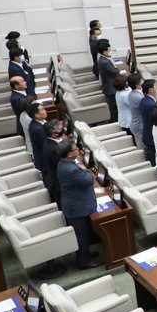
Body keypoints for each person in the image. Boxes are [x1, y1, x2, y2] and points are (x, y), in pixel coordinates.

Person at [57, 140, 102, 269]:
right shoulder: (71, 169)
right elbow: (88, 181)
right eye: (75, 149)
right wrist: (85, 169)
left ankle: (86, 255)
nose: (78, 150)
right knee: (80, 236)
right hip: (77, 207)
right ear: (70, 154)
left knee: (84, 234)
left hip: (76, 203)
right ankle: (84, 262)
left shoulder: (64, 163)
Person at [42, 120, 65, 207]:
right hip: (58, 184)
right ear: (54, 134)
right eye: (60, 128)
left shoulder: (49, 142)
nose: (62, 129)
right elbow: (63, 166)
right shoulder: (54, 149)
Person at [96, 39, 120, 122]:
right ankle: (114, 123)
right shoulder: (105, 62)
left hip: (108, 86)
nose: (110, 51)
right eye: (109, 50)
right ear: (104, 51)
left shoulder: (104, 59)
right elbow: (115, 72)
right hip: (111, 89)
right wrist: (117, 69)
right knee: (114, 109)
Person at [139, 79, 157, 163]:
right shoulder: (151, 104)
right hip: (152, 135)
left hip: (148, 132)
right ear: (151, 90)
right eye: (156, 85)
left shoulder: (144, 100)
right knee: (154, 158)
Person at [126, 73, 146, 155]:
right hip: (139, 126)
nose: (143, 81)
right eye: (141, 80)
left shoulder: (133, 93)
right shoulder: (138, 97)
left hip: (136, 124)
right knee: (143, 149)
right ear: (137, 84)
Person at [27, 101, 49, 173]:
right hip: (45, 163)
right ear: (37, 115)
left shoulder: (39, 122)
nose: (45, 110)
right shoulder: (38, 129)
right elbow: (46, 146)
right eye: (42, 110)